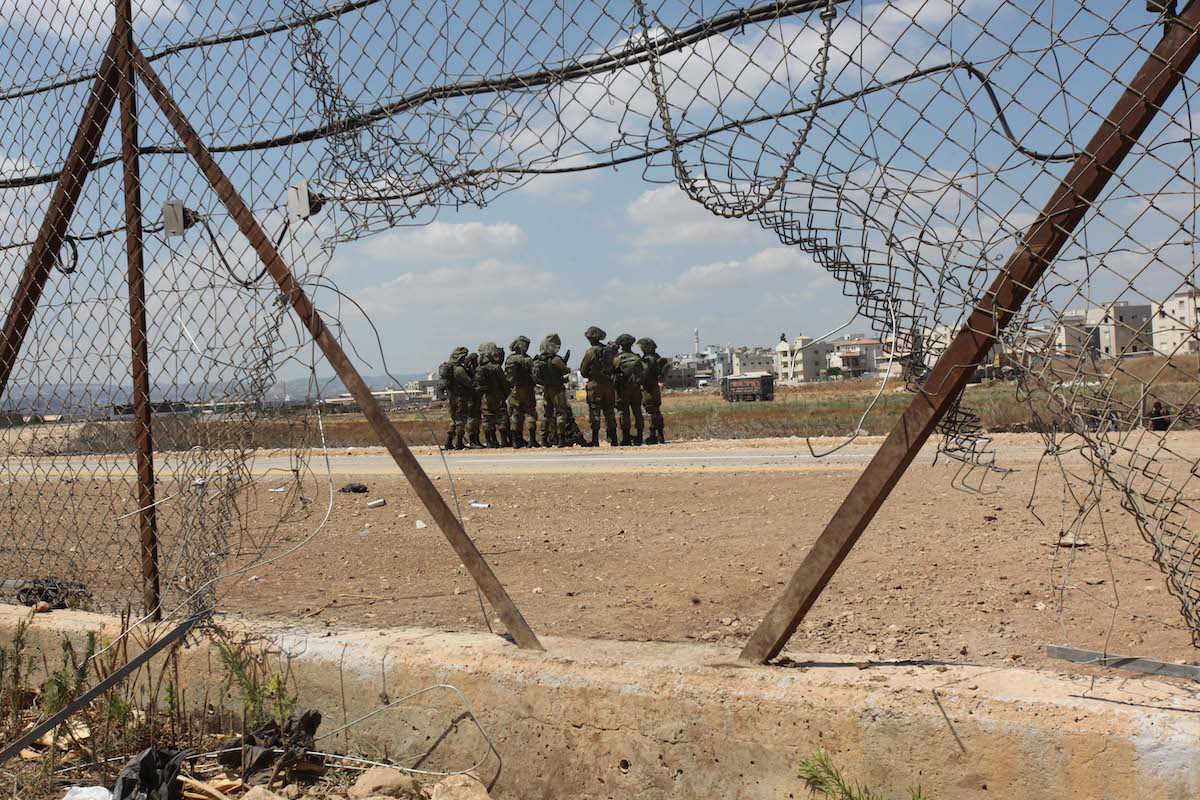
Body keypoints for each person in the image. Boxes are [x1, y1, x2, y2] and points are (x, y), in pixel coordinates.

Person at [534, 333, 585, 447]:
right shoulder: (556, 360)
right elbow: (566, 370)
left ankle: (544, 439)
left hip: (546, 390)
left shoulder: (540, 360)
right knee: (561, 413)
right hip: (557, 390)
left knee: (546, 415)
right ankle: (561, 439)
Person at [578, 325, 618, 447]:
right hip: (609, 385)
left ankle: (595, 440)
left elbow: (583, 371)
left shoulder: (590, 352)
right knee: (610, 412)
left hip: (595, 386)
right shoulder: (609, 351)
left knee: (595, 412)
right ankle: (614, 439)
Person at [504, 336, 540, 448]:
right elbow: (534, 376)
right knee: (530, 412)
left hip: (514, 390)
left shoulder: (509, 359)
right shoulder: (527, 359)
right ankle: (532, 440)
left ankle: (516, 441)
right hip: (527, 389)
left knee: (515, 413)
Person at [474, 342, 512, 448]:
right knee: (502, 417)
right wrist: (505, 393)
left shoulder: (479, 368)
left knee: (487, 418)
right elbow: (504, 383)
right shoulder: (496, 367)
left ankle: (489, 441)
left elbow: (477, 386)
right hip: (498, 395)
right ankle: (504, 440)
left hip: (486, 397)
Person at [611, 333, 646, 446]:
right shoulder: (637, 357)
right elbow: (644, 372)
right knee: (637, 411)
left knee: (623, 412)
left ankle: (626, 437)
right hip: (636, 389)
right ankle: (640, 436)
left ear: (620, 345)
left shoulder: (617, 359)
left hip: (622, 389)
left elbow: (612, 374)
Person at [437, 346, 474, 450]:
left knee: (454, 421)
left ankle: (448, 442)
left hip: (452, 397)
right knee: (461, 420)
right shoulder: (459, 370)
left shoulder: (452, 368)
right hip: (460, 398)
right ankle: (459, 443)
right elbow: (470, 383)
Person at [637, 337, 671, 444]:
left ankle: (653, 436)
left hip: (648, 388)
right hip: (655, 388)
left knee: (650, 411)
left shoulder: (647, 360)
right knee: (656, 411)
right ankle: (660, 435)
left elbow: (644, 375)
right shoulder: (657, 358)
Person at [463, 351, 485, 449]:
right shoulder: (468, 371)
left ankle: (476, 440)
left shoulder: (473, 370)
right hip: (471, 399)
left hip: (476, 398)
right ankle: (472, 441)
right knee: (472, 420)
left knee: (477, 419)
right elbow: (471, 384)